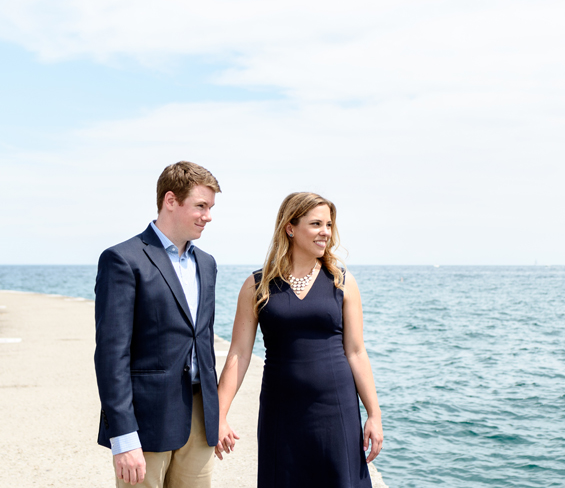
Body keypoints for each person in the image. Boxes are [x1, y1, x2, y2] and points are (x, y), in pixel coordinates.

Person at [216, 192, 383, 487]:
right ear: (290, 228)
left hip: (336, 407)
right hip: (281, 409)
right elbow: (239, 355)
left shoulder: (342, 281)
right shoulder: (258, 285)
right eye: (316, 224)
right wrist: (219, 414)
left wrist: (374, 414)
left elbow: (356, 352)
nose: (326, 232)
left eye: (329, 225)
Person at [94, 161, 222, 487]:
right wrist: (122, 435)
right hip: (145, 421)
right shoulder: (123, 259)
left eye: (210, 207)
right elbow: (112, 355)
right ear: (170, 200)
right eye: (200, 206)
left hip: (199, 417)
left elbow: (202, 343)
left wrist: (217, 416)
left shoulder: (206, 264)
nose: (208, 215)